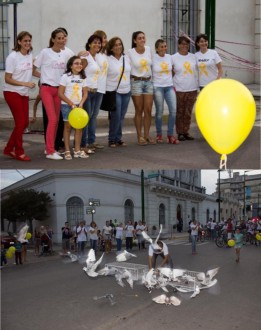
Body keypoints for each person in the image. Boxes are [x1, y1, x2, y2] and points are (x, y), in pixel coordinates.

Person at [33, 28, 70, 160]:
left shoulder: (65, 54)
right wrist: (43, 76)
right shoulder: (45, 52)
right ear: (53, 39)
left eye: (63, 38)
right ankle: (50, 151)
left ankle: (50, 148)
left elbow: (74, 63)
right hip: (47, 89)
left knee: (56, 120)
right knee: (53, 119)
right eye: (59, 38)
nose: (61, 40)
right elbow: (33, 69)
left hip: (58, 91)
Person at [3, 31, 36, 161]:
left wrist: (49, 76)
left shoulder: (29, 55)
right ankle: (19, 151)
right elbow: (7, 79)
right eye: (25, 41)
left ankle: (8, 149)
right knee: (21, 122)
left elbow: (33, 71)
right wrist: (24, 83)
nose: (27, 43)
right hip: (11, 92)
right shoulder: (12, 57)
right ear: (19, 42)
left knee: (24, 123)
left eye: (29, 41)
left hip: (24, 92)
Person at [58, 55, 89, 160]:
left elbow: (85, 93)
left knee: (79, 128)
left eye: (80, 63)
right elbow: (60, 93)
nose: (79, 65)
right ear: (71, 66)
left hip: (78, 106)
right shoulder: (66, 77)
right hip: (67, 105)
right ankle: (67, 150)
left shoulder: (82, 77)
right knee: (67, 128)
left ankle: (77, 150)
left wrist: (81, 103)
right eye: (76, 63)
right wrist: (71, 104)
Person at [127, 31, 155, 146]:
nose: (142, 40)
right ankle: (140, 136)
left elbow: (152, 65)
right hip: (136, 82)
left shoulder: (148, 49)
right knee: (139, 110)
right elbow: (127, 68)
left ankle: (147, 135)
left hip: (148, 82)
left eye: (143, 38)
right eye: (139, 38)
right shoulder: (130, 52)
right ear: (134, 41)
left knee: (148, 110)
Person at [152, 39, 179, 144]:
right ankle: (159, 135)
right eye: (161, 47)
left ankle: (170, 135)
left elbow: (173, 70)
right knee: (159, 112)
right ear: (157, 49)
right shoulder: (153, 58)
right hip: (157, 87)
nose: (164, 48)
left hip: (169, 87)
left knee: (173, 111)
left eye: (165, 46)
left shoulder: (169, 57)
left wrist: (170, 80)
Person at [106, 37, 131, 147]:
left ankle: (118, 138)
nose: (118, 47)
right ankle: (112, 139)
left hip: (127, 90)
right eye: (115, 45)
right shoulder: (108, 59)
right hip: (114, 91)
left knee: (121, 116)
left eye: (120, 44)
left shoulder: (126, 58)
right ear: (111, 48)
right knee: (116, 115)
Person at [171, 36, 198, 141]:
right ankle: (180, 132)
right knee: (180, 111)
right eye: (182, 44)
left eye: (186, 44)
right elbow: (171, 73)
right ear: (178, 45)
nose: (184, 46)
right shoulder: (173, 57)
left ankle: (186, 131)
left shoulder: (193, 57)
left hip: (192, 88)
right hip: (179, 88)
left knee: (188, 112)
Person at [80, 34, 103, 153]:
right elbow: (79, 71)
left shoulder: (96, 57)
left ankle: (90, 142)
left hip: (95, 91)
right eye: (94, 42)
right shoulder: (86, 56)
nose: (97, 45)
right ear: (89, 44)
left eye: (99, 43)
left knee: (91, 117)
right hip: (87, 92)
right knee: (85, 118)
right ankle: (83, 145)